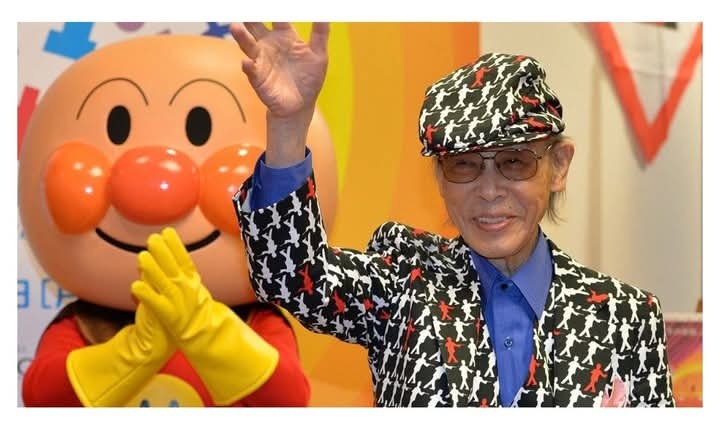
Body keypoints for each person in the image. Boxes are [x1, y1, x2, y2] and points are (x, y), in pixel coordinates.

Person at [226, 22, 675, 407]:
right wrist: (289, 124)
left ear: (558, 167)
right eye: (463, 165)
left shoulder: (627, 318)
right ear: (440, 178)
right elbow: (290, 275)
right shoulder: (405, 283)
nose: (489, 191)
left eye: (514, 161)